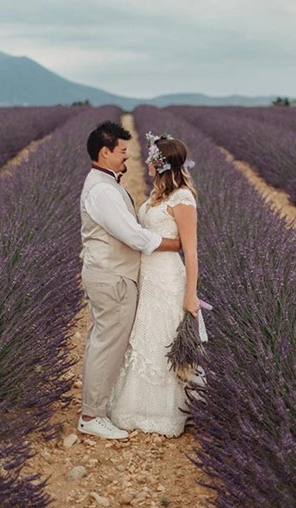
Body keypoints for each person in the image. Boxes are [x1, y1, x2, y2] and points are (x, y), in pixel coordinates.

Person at [78, 121, 182, 440]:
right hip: (112, 276)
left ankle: (96, 407)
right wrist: (172, 244)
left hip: (109, 274)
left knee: (103, 340)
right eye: (122, 150)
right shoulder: (102, 190)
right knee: (108, 344)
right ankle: (91, 416)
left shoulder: (105, 183)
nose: (127, 156)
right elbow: (132, 235)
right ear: (105, 152)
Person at [109, 132, 201, 438]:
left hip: (167, 279)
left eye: (151, 158)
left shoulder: (182, 198)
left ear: (160, 164)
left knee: (162, 340)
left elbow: (190, 250)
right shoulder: (156, 195)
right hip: (147, 277)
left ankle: (164, 413)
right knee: (144, 337)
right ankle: (134, 407)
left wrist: (191, 295)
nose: (146, 162)